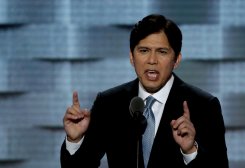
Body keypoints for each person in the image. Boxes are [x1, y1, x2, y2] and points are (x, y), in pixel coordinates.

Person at [60, 14, 229, 168]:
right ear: (132, 57)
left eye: (162, 52)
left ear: (176, 59)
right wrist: (74, 140)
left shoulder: (204, 106)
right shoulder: (110, 103)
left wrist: (190, 151)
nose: (152, 60)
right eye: (144, 51)